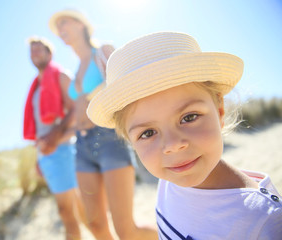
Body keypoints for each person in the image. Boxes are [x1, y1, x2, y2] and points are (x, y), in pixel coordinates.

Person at [87, 31, 282, 239]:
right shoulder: (170, 179)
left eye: (189, 118)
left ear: (219, 110)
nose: (172, 145)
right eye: (148, 133)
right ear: (130, 140)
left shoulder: (262, 220)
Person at [49, 9, 158, 240]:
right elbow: (77, 115)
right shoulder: (74, 70)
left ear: (81, 25)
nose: (60, 30)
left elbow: (126, 90)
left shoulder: (103, 52)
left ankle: (167, 236)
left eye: (64, 23)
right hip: (81, 145)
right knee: (96, 225)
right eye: (57, 28)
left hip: (110, 138)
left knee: (125, 230)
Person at [23, 36, 86, 240]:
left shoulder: (60, 76)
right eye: (32, 51)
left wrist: (55, 137)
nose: (35, 54)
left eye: (40, 49)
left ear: (50, 54)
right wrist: (39, 157)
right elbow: (41, 129)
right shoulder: (36, 87)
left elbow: (77, 110)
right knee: (79, 209)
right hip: (46, 154)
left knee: (65, 212)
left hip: (62, 150)